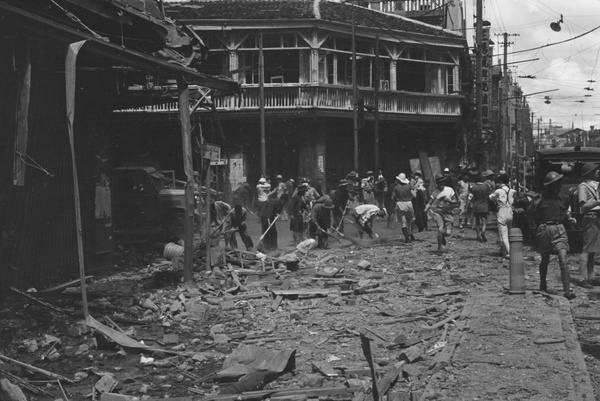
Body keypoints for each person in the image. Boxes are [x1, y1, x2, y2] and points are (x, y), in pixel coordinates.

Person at [529, 171, 576, 299]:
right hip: (544, 228)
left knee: (563, 258)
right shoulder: (540, 197)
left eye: (558, 184)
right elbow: (530, 213)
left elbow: (567, 211)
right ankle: (543, 284)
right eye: (554, 184)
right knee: (545, 258)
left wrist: (570, 218)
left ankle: (567, 291)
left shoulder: (565, 198)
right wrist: (534, 205)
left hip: (559, 228)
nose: (557, 187)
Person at [577, 162, 600, 288]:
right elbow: (583, 206)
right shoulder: (583, 186)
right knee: (587, 249)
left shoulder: (595, 186)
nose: (598, 172)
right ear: (589, 173)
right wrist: (597, 202)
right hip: (590, 217)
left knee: (593, 250)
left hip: (596, 218)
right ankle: (582, 278)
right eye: (595, 170)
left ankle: (591, 276)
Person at [425, 174, 457, 255]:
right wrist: (426, 208)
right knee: (440, 228)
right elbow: (430, 202)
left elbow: (455, 202)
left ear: (443, 182)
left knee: (448, 233)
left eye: (441, 182)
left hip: (448, 213)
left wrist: (448, 200)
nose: (440, 185)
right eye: (438, 183)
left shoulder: (450, 190)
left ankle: (442, 236)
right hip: (438, 212)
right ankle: (439, 248)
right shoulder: (435, 192)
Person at [489, 174, 516, 259]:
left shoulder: (498, 191)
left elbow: (491, 198)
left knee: (503, 234)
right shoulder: (512, 191)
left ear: (500, 182)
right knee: (509, 232)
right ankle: (503, 250)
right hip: (510, 211)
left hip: (502, 211)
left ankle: (509, 252)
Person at [393, 173, 417, 243]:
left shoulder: (396, 187)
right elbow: (414, 196)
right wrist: (415, 189)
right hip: (408, 203)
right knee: (411, 220)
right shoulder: (409, 187)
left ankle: (407, 238)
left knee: (403, 222)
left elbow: (393, 197)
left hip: (399, 203)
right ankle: (410, 233)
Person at [470, 173, 492, 243]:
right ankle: (483, 231)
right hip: (484, 205)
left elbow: (470, 197)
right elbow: (490, 195)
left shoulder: (473, 187)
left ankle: (478, 236)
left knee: (477, 222)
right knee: (484, 220)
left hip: (476, 206)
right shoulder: (486, 187)